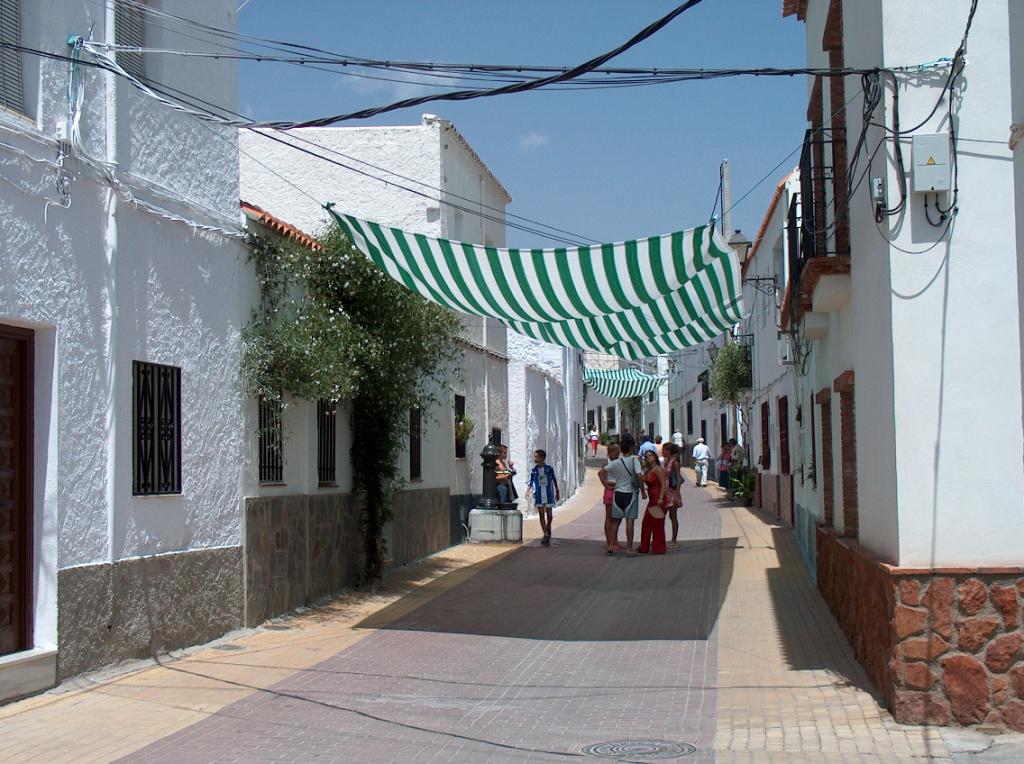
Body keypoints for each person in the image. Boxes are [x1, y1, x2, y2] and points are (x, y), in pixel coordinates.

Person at [604, 435, 645, 555]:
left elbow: (601, 472)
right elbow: (639, 476)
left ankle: (611, 545)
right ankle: (629, 548)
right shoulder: (634, 460)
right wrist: (642, 491)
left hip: (618, 493)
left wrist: (606, 486)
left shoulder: (616, 462)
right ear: (632, 448)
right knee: (629, 522)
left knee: (615, 521)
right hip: (631, 494)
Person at [636, 448, 668, 555]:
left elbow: (663, 484)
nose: (648, 458)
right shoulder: (648, 470)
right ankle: (644, 546)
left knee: (657, 524)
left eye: (650, 455)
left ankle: (658, 547)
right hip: (652, 499)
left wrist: (660, 498)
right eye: (646, 456)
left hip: (658, 498)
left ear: (655, 457)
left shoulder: (658, 469)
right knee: (646, 523)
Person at [527, 449, 560, 546]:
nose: (534, 459)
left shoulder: (549, 468)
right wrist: (528, 490)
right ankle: (545, 534)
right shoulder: (534, 470)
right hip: (539, 495)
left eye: (536, 457)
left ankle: (548, 525)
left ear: (542, 458)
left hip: (548, 494)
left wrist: (557, 491)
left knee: (549, 515)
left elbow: (554, 479)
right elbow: (531, 480)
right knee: (541, 514)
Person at [598, 442, 622, 554]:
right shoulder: (607, 463)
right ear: (610, 452)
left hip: (618, 491)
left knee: (617, 518)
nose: (617, 455)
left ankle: (615, 540)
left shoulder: (619, 462)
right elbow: (601, 474)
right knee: (609, 518)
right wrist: (607, 485)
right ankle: (610, 543)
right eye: (616, 452)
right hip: (611, 491)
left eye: (618, 453)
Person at [662, 442, 683, 547]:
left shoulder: (675, 463)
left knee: (672, 516)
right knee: (663, 516)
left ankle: (674, 540)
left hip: (672, 492)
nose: (662, 451)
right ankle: (662, 539)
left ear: (669, 451)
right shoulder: (666, 462)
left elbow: (678, 478)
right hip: (665, 492)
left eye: (664, 449)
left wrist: (677, 493)